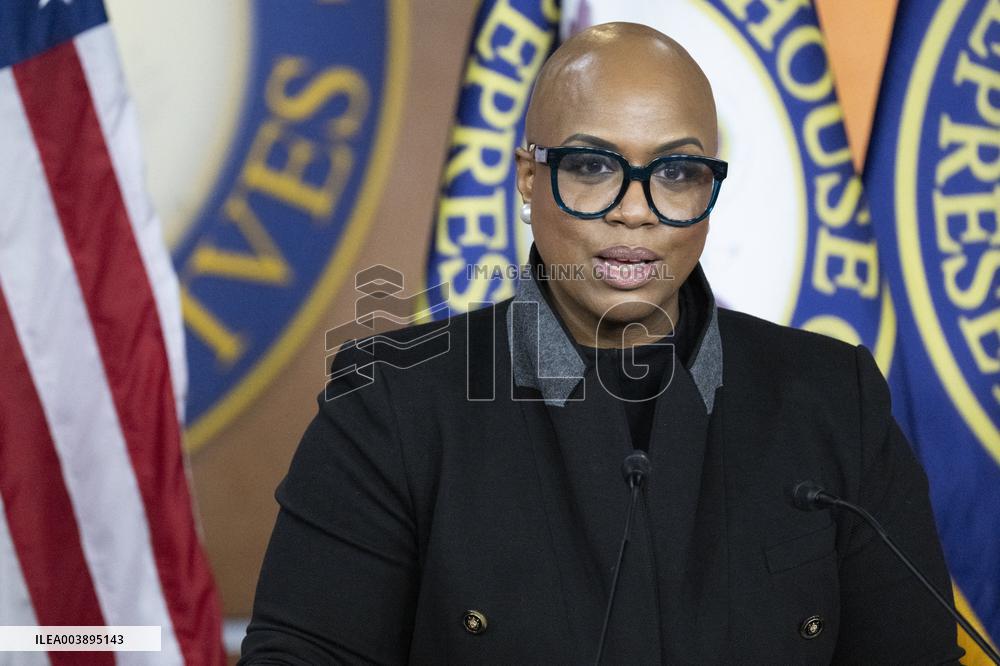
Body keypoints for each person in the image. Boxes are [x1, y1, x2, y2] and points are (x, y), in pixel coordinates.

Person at [239, 22, 963, 664]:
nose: (634, 210)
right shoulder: (390, 405)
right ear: (529, 178)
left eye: (675, 173)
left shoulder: (837, 399)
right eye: (592, 167)